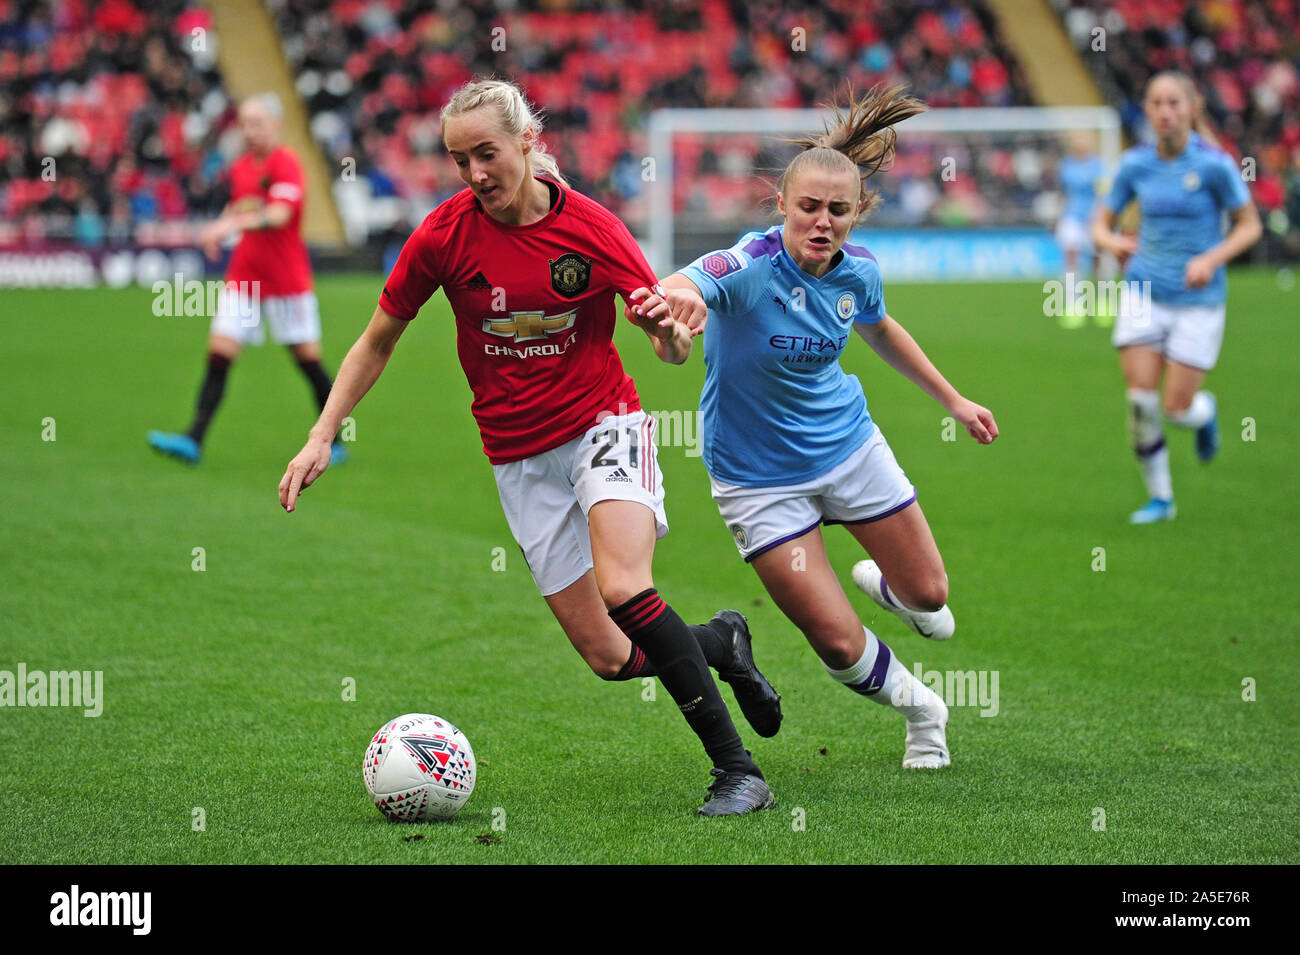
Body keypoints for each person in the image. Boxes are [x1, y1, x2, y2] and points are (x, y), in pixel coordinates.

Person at [277, 78, 780, 816]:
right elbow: (377, 338)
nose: (476, 173)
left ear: (527, 142)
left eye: (487, 153)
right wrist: (322, 433)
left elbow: (668, 349)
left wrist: (672, 331)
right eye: (458, 160)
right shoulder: (443, 236)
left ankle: (739, 772)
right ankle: (720, 642)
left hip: (604, 426)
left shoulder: (594, 231)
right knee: (609, 655)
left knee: (626, 589)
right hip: (518, 456)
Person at [660, 87, 999, 770]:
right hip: (757, 481)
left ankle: (886, 586)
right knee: (839, 644)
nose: (821, 221)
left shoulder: (858, 272)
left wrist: (954, 400)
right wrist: (674, 315)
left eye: (837, 210)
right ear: (781, 204)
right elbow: (687, 285)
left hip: (848, 449)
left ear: (857, 213)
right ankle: (923, 710)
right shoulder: (748, 267)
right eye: (808, 206)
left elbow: (878, 327)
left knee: (932, 599)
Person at [1092, 71, 1262, 524]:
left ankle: (1204, 416)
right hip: (1144, 290)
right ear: (1146, 110)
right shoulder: (1134, 164)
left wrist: (1211, 259)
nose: (1165, 112)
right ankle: (1161, 499)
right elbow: (1099, 222)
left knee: (1176, 407)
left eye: (1174, 103)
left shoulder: (1214, 164)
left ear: (1191, 107)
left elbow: (1250, 225)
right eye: (1156, 103)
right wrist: (1110, 242)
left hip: (1197, 301)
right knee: (1141, 403)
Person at [148, 93, 346, 466]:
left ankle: (336, 441)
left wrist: (229, 225)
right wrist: (219, 225)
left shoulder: (286, 163)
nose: (249, 131)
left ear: (276, 125)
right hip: (245, 278)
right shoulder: (240, 167)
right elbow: (242, 206)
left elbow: (279, 215)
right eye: (244, 123)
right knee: (219, 353)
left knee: (307, 360)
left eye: (257, 123)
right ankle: (194, 439)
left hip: (286, 281)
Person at [1052, 132, 1107, 328]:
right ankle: (1073, 303)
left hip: (1092, 218)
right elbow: (1062, 193)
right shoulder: (1066, 165)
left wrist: (1102, 219)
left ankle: (1101, 301)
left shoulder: (1098, 166)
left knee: (1096, 260)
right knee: (1071, 256)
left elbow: (1104, 195)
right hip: (1071, 217)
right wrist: (1057, 217)